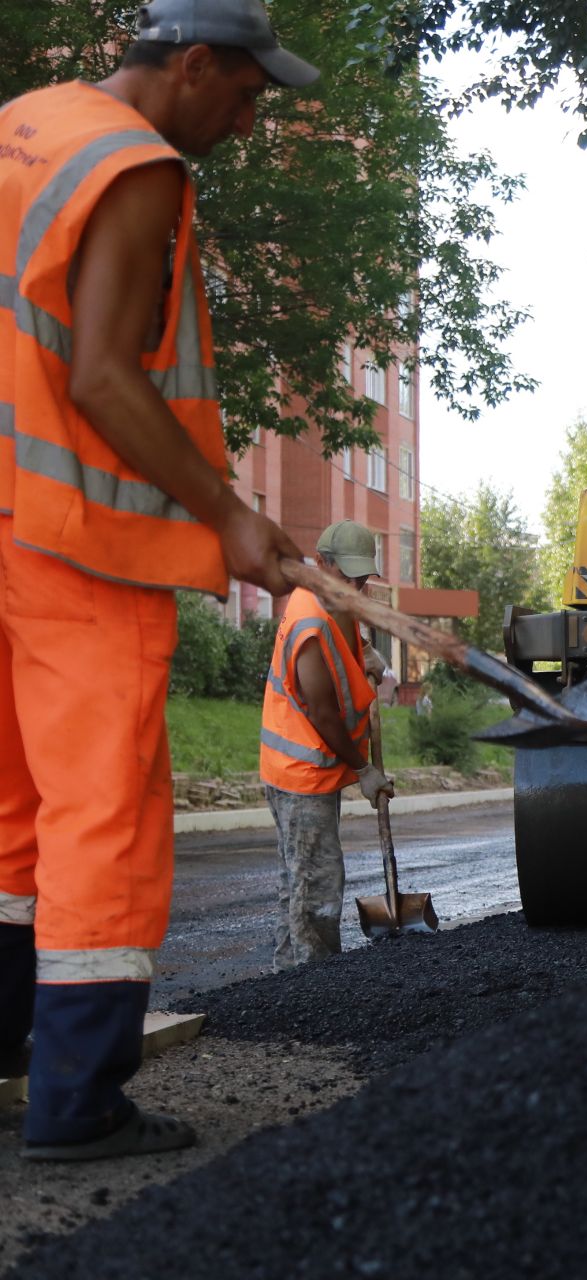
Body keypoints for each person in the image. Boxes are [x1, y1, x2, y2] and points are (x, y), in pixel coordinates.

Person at [0, 0, 316, 1161]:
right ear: (190, 66)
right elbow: (99, 376)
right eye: (244, 94)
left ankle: (9, 1049)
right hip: (76, 536)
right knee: (104, 816)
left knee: (12, 808)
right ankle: (77, 1101)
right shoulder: (139, 168)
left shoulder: (24, 124)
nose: (249, 115)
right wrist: (229, 510)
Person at [259, 520, 394, 971]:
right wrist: (363, 770)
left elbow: (347, 645)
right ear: (321, 563)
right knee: (315, 887)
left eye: (362, 577)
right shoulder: (309, 619)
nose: (355, 585)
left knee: (295, 884)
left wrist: (369, 657)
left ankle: (284, 984)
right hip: (301, 773)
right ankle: (315, 984)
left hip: (304, 770)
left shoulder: (333, 599)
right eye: (348, 575)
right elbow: (322, 712)